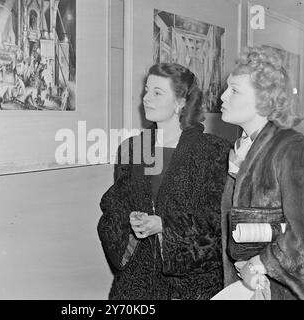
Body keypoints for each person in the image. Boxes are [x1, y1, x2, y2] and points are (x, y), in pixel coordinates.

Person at [98, 63, 231, 300]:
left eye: (157, 93)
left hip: (190, 287)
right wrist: (128, 220)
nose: (146, 99)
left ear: (181, 102)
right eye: (146, 90)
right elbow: (113, 207)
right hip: (137, 285)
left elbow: (219, 222)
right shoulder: (133, 148)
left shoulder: (214, 151)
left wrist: (165, 227)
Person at [220, 46, 304, 300]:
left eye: (234, 90)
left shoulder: (293, 149)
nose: (222, 97)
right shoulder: (243, 148)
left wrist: (260, 264)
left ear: (263, 99)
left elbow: (303, 238)